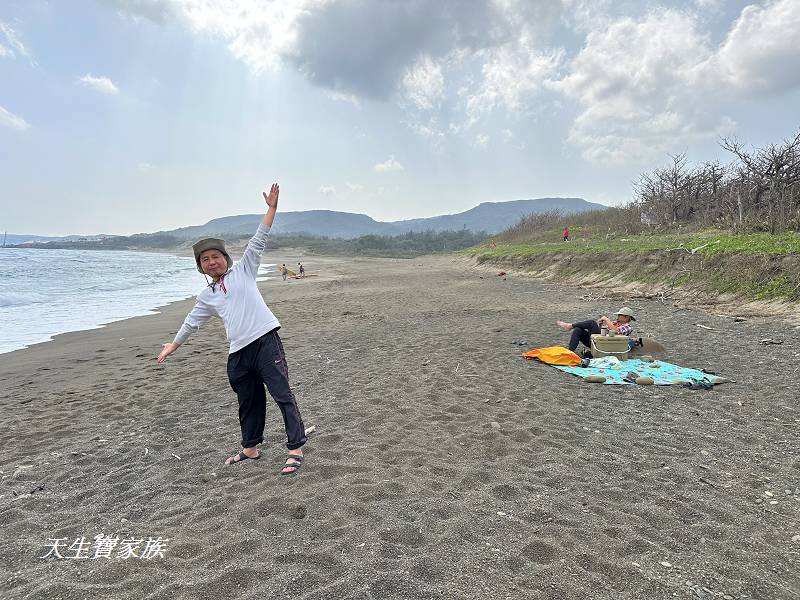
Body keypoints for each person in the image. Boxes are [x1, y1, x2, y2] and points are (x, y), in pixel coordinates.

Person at [157, 183, 306, 474]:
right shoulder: (208, 296)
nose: (212, 262)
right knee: (248, 401)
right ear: (201, 267)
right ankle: (250, 449)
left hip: (265, 343)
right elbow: (192, 321)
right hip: (238, 353)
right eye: (205, 260)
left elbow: (259, 238)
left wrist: (271, 208)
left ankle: (295, 447)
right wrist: (173, 345)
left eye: (216, 256)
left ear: (226, 258)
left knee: (282, 394)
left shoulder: (245, 269)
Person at [556, 307, 636, 353]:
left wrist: (606, 319)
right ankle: (570, 351)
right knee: (578, 330)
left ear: (626, 317)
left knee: (591, 323)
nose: (617, 317)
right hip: (600, 342)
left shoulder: (628, 327)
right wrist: (600, 325)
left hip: (608, 346)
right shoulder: (615, 323)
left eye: (619, 315)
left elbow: (615, 332)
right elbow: (603, 334)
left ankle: (569, 326)